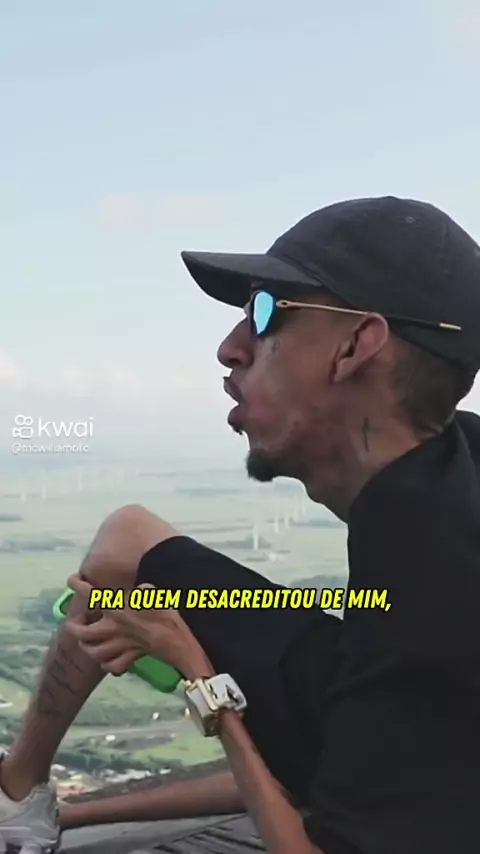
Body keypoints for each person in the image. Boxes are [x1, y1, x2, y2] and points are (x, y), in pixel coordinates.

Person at [1, 196, 479, 854]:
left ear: (354, 346)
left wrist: (201, 677)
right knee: (130, 540)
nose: (229, 348)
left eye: (265, 311)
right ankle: (18, 794)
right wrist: (82, 814)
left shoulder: (434, 594)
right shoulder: (446, 476)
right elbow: (365, 754)